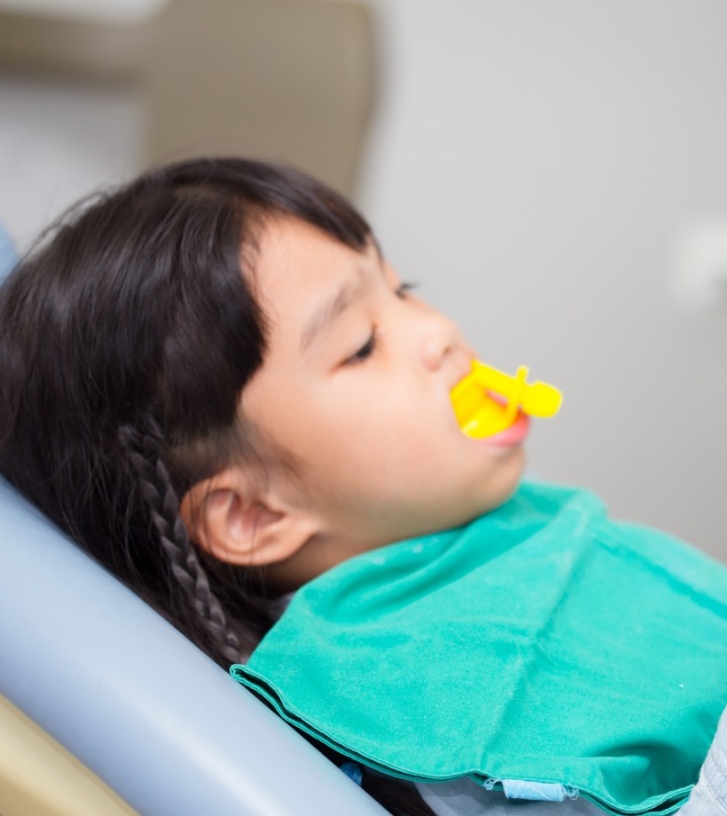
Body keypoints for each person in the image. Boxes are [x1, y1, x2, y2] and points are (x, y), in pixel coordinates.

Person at [0, 158, 723, 816]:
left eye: (404, 289)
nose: (438, 331)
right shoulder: (409, 705)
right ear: (251, 513)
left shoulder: (488, 528)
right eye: (362, 345)